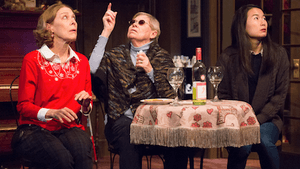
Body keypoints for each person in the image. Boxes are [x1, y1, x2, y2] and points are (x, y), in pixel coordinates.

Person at [90, 3, 189, 169]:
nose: (134, 24)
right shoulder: (116, 54)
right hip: (121, 120)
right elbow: (90, 69)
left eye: (141, 22)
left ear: (153, 33)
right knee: (129, 129)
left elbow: (173, 94)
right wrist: (106, 31)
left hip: (155, 123)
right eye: (132, 22)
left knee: (179, 137)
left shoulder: (161, 56)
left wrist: (151, 70)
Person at [11, 2, 93, 169]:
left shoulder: (82, 61)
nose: (73, 22)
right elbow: (23, 106)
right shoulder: (33, 59)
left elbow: (87, 105)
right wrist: (52, 113)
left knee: (83, 152)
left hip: (68, 128)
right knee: (61, 159)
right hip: (34, 129)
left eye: (74, 18)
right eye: (65, 17)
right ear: (50, 28)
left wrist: (86, 105)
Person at [216, 4, 289, 169]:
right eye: (256, 18)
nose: (263, 22)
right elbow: (222, 94)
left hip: (268, 119)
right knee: (242, 146)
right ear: (242, 25)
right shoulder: (228, 57)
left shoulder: (279, 54)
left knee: (264, 140)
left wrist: (255, 120)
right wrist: (241, 120)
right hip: (236, 121)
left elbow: (279, 96)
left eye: (264, 18)